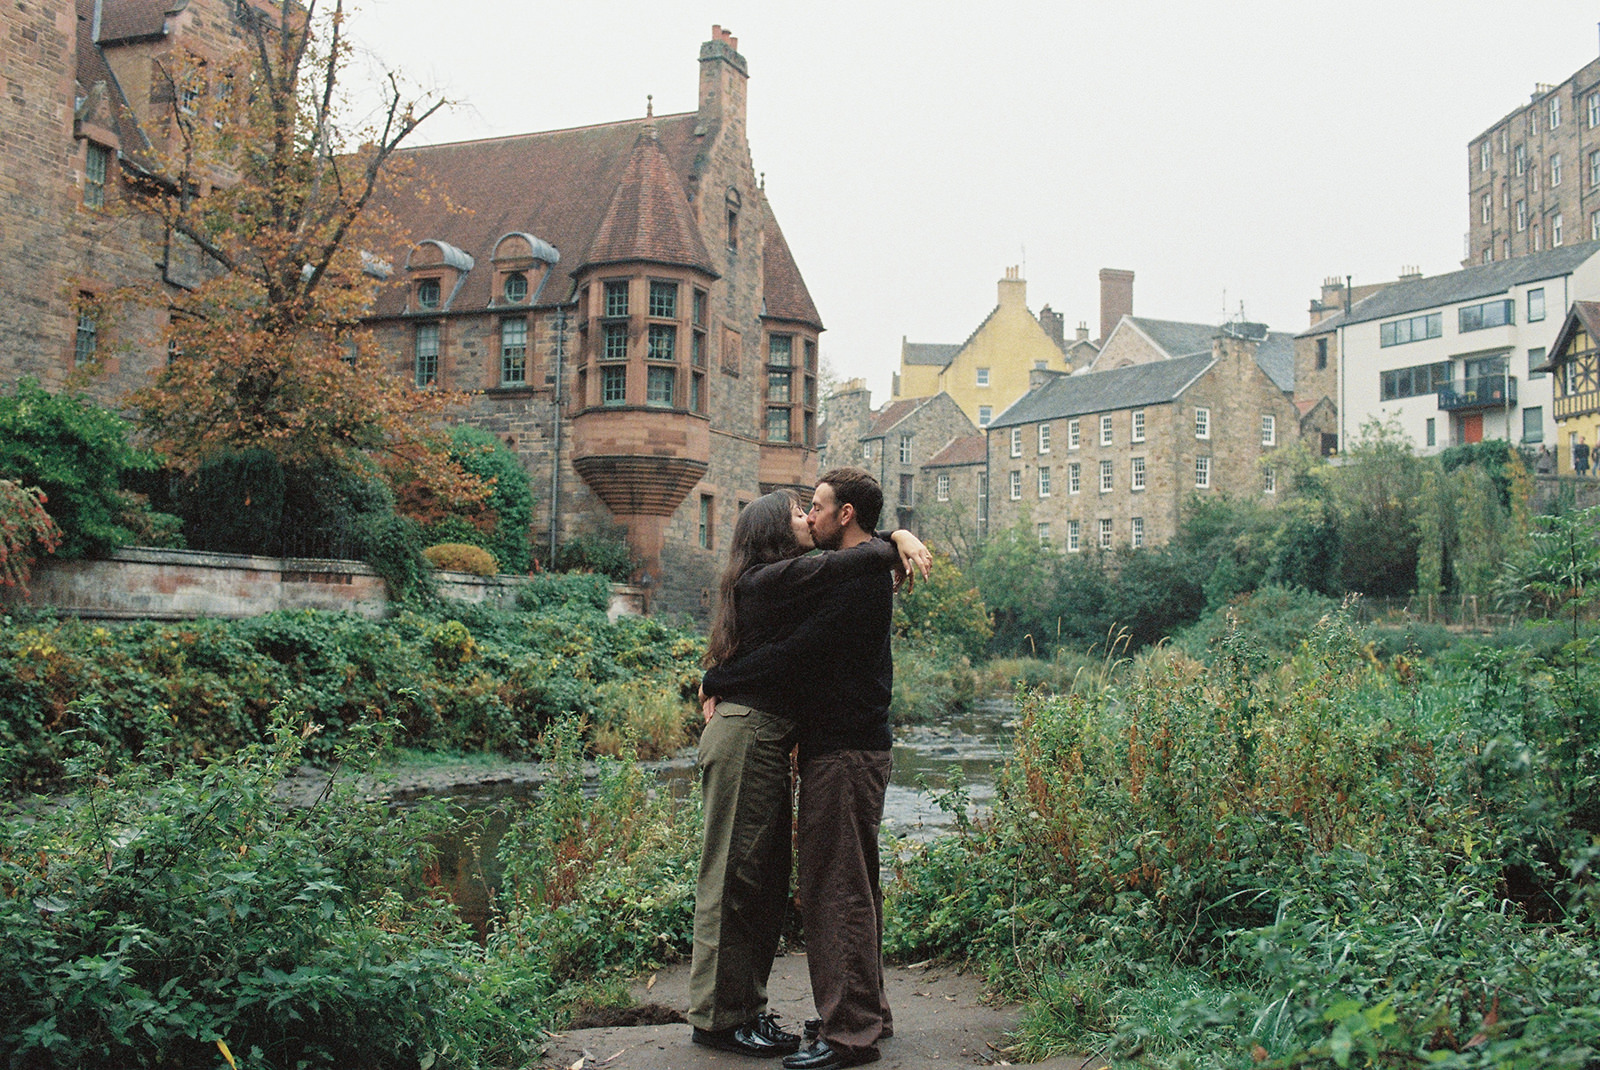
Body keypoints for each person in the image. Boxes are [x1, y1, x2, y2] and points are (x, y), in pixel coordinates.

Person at [688, 489, 929, 1059]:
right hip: (751, 731)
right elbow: (791, 653)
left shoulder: (799, 578)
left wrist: (891, 537)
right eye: (799, 511)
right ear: (776, 530)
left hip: (781, 737)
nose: (808, 516)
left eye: (814, 507)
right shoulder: (768, 582)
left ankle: (784, 1015)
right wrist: (892, 541)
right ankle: (723, 1020)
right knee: (736, 877)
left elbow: (824, 608)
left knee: (766, 880)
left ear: (842, 514)